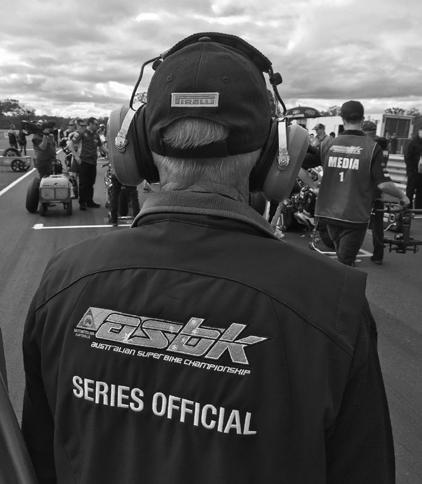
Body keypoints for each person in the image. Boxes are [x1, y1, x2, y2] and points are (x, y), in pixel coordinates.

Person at [22, 34, 395, 484]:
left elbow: (37, 459)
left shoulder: (63, 279)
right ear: (278, 154)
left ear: (134, 148)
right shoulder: (334, 303)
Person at [315, 100, 409, 266]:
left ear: (342, 118)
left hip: (328, 213)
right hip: (354, 216)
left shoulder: (328, 144)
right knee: (345, 265)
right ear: (362, 119)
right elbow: (383, 184)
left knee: (342, 260)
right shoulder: (372, 147)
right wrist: (403, 196)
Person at [362, 120, 389, 264]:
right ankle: (378, 255)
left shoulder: (366, 146)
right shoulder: (381, 145)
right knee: (377, 225)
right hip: (378, 188)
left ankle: (350, 253)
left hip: (364, 190)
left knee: (358, 222)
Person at [72, 117, 104, 210]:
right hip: (84, 161)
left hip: (93, 162)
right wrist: (76, 157)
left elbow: (101, 147)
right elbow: (70, 144)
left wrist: (110, 154)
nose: (97, 126)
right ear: (90, 124)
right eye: (95, 124)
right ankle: (82, 203)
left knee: (91, 183)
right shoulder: (82, 132)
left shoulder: (96, 135)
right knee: (83, 183)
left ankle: (90, 201)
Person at [404, 126, 422, 208]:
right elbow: (407, 157)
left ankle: (418, 209)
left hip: (421, 173)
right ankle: (408, 208)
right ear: (419, 131)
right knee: (410, 191)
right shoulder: (413, 143)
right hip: (413, 171)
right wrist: (411, 170)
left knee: (420, 192)